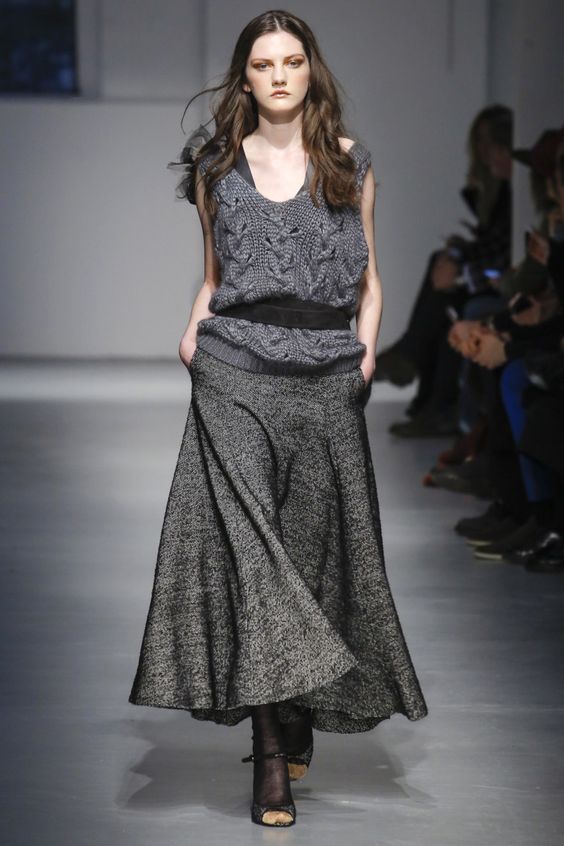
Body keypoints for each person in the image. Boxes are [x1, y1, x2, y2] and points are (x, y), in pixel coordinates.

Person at [128, 9, 428, 829]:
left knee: (313, 553)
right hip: (235, 372)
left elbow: (369, 281)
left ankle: (293, 707)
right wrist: (192, 338)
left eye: (292, 61)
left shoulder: (351, 164)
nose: (280, 77)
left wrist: (365, 361)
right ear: (245, 78)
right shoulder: (216, 166)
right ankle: (269, 753)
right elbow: (214, 274)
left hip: (328, 377)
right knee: (255, 559)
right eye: (264, 65)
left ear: (311, 69)